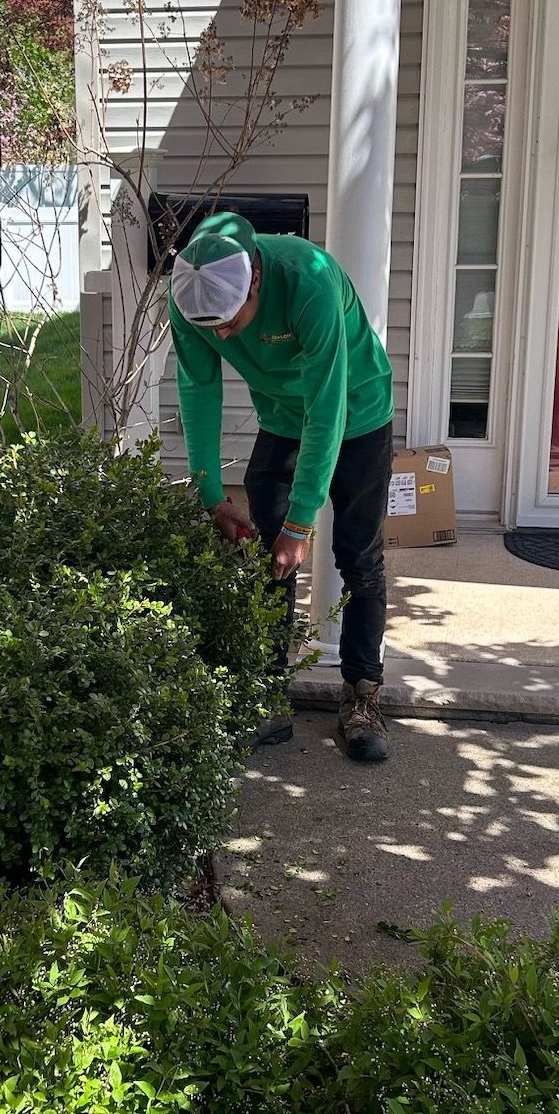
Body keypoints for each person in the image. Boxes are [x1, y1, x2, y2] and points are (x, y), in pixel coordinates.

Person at [168, 210, 395, 765]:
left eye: (229, 321)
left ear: (257, 281)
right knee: (268, 554)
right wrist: (210, 495)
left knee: (358, 557)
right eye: (209, 326)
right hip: (282, 417)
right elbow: (199, 392)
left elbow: (327, 407)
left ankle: (361, 697)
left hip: (357, 410)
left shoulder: (308, 280)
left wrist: (301, 523)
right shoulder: (191, 295)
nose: (220, 335)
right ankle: (267, 693)